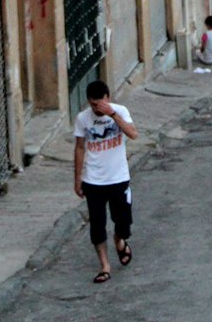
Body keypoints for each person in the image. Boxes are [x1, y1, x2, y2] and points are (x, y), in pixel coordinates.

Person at [74, 80, 140, 284]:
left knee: (123, 223)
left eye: (100, 103)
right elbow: (79, 148)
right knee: (97, 225)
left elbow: (133, 134)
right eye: (93, 105)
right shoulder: (83, 118)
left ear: (108, 98)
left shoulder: (120, 111)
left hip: (118, 177)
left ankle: (119, 240)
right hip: (94, 180)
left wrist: (112, 114)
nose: (97, 109)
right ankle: (105, 266)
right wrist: (77, 178)